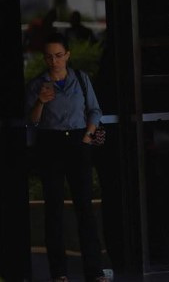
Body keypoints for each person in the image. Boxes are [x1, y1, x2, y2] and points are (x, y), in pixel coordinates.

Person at [25, 33, 109, 282]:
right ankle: (59, 272)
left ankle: (94, 270)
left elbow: (94, 110)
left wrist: (88, 136)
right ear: (44, 59)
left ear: (68, 55)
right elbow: (32, 121)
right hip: (50, 143)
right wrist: (40, 101)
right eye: (49, 57)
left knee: (84, 207)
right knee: (54, 209)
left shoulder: (80, 79)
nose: (54, 61)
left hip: (78, 142)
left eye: (59, 55)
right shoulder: (37, 85)